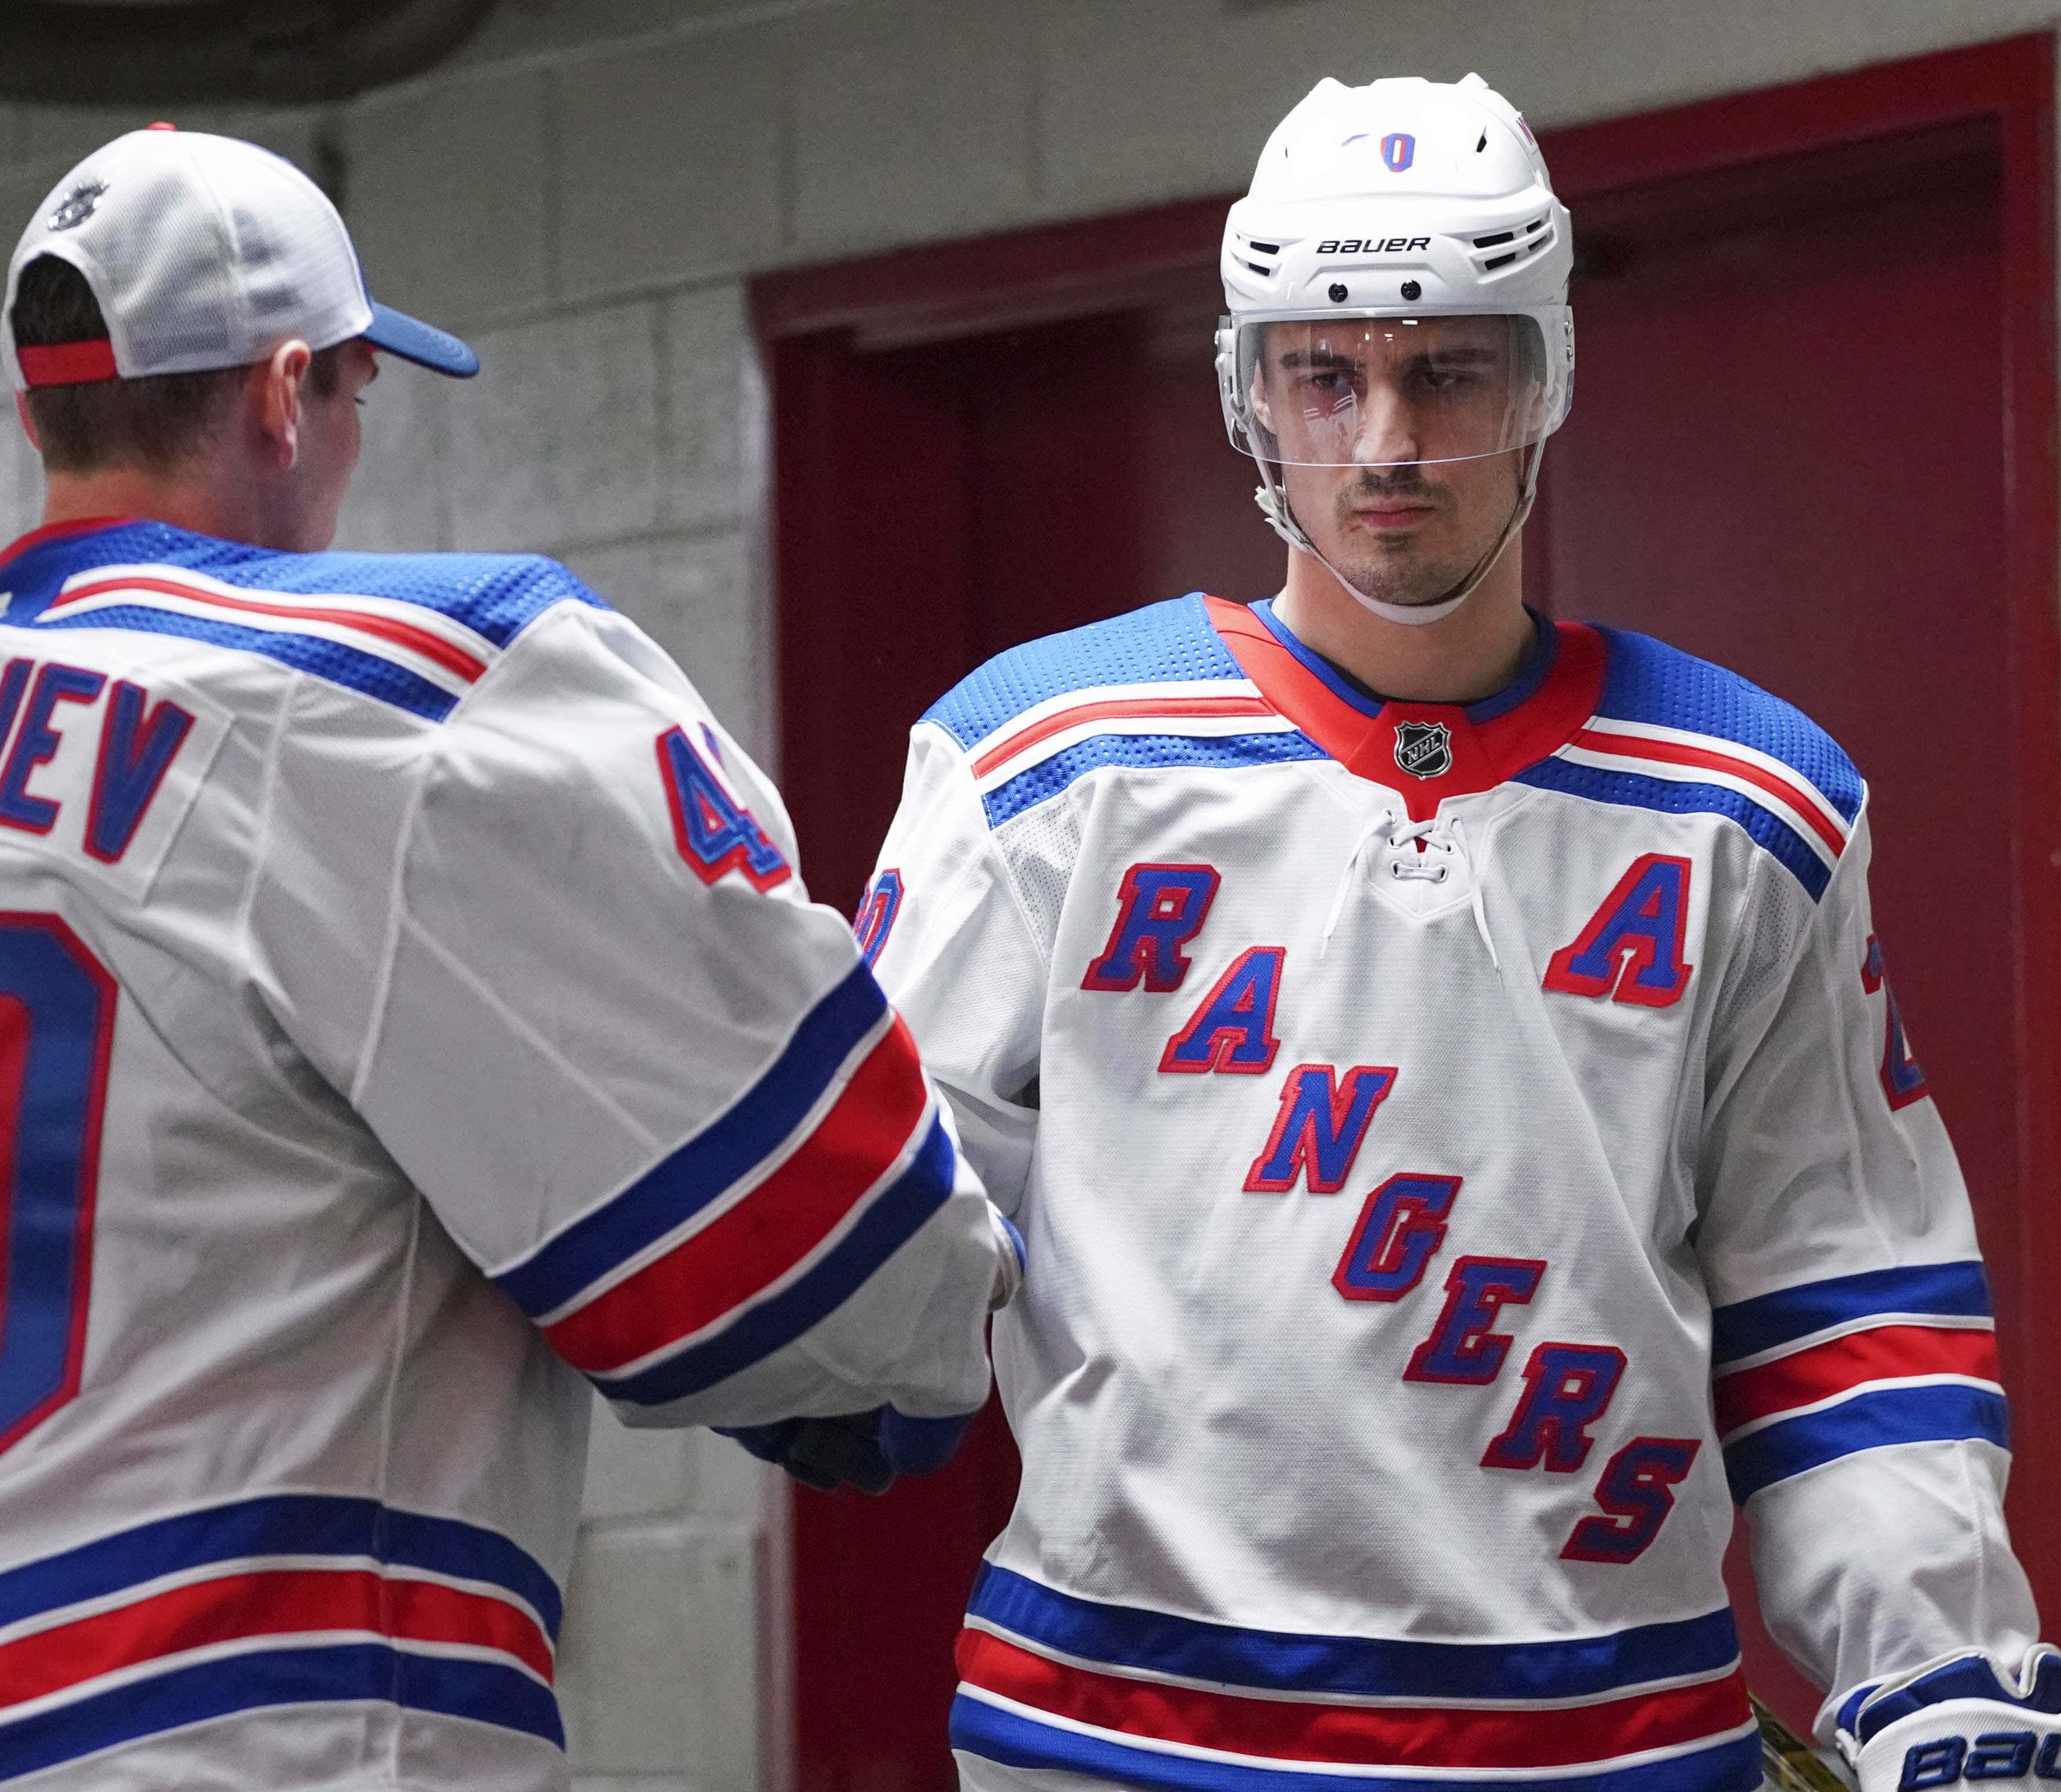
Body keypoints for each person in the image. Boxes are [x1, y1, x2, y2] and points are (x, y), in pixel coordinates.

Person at [0, 128, 1017, 1792]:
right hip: (195, 1744)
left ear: (38, 411)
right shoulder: (406, 696)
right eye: (360, 396)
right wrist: (931, 1330)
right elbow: (826, 1259)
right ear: (288, 395)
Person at [854, 74, 2053, 1792]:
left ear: (1548, 376)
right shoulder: (1040, 765)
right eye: (1324, 376)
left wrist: (1940, 1661)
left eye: (1449, 370)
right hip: (1120, 1742)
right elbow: (868, 1227)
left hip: (1611, 1746)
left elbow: (1840, 1281)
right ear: (1248, 392)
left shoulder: (1750, 799)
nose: (1388, 443)